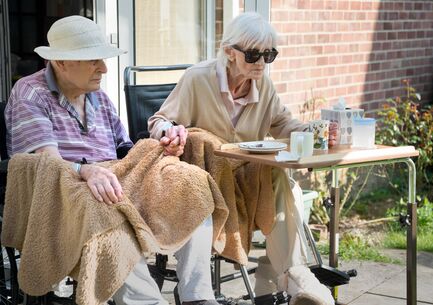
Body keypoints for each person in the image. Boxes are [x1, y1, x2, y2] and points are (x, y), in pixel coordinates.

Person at [5, 15, 218, 305]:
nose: (104, 68)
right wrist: (86, 171)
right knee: (102, 208)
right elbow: (46, 165)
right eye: (94, 60)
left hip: (112, 180)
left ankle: (198, 297)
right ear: (61, 62)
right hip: (62, 194)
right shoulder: (30, 93)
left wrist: (161, 149)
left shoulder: (99, 97)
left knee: (189, 183)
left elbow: (126, 151)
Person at [148, 12, 336, 305]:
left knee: (281, 179)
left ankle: (293, 277)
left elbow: (286, 126)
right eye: (252, 55)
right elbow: (159, 120)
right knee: (290, 192)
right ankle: (292, 278)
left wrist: (317, 130)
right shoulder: (198, 79)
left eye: (269, 54)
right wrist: (170, 131)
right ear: (229, 53)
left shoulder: (265, 89)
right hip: (204, 184)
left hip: (248, 185)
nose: (261, 62)